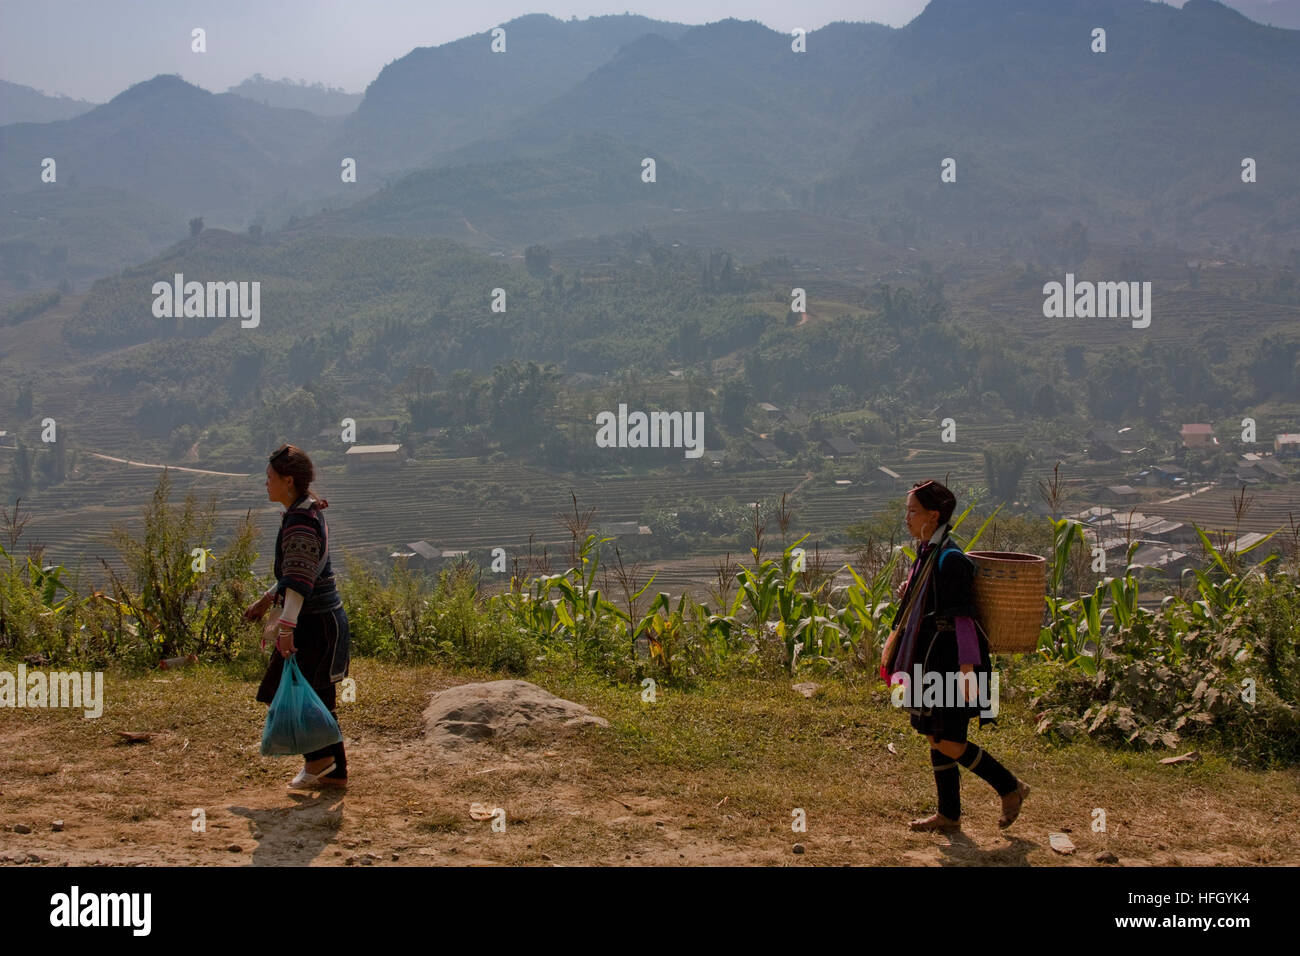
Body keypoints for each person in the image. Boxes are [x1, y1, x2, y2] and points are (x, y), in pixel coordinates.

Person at [880, 479, 1029, 832]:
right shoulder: (929, 554)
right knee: (935, 735)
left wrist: (966, 674)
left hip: (955, 662)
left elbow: (963, 620)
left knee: (949, 740)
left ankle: (1010, 787)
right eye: (907, 511)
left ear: (933, 515)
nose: (907, 518)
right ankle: (949, 815)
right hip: (932, 658)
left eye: (913, 511)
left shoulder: (950, 559)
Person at [243, 444, 350, 789]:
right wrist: (265, 600)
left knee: (301, 694)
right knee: (313, 695)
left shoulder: (301, 520)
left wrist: (286, 628)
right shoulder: (304, 512)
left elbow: (301, 582)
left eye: (270, 478)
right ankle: (330, 770)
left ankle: (322, 763)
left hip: (314, 624)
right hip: (320, 620)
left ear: (288, 481)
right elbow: (296, 573)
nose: (266, 484)